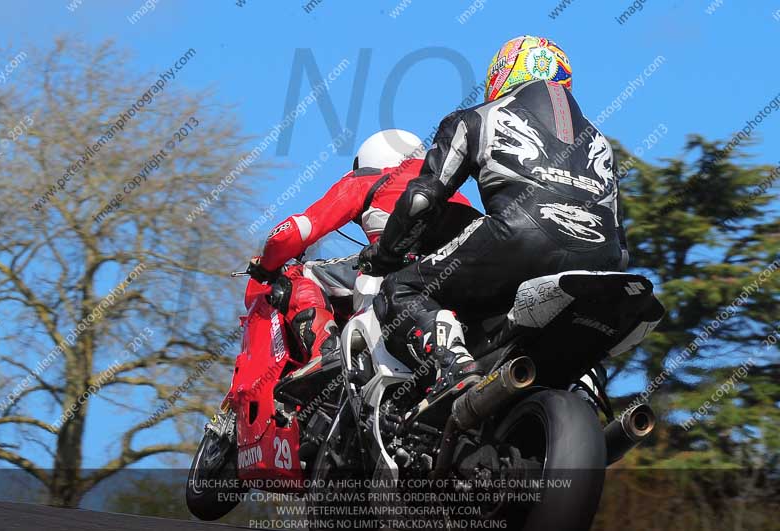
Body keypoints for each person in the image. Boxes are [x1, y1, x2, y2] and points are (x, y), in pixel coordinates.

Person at [360, 36, 628, 416]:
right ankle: (584, 388)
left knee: (399, 289)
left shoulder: (477, 118)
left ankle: (453, 365)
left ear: (505, 72)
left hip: (519, 239)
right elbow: (621, 238)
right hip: (602, 261)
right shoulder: (601, 142)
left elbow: (421, 199)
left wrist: (387, 254)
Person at [250, 129, 474, 390]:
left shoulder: (372, 178)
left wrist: (266, 263)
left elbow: (296, 231)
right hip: (462, 274)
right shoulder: (453, 190)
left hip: (398, 272)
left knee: (301, 274)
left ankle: (326, 350)